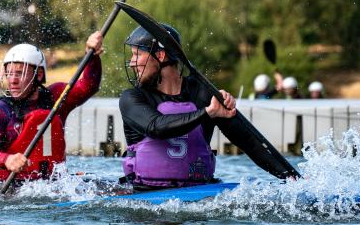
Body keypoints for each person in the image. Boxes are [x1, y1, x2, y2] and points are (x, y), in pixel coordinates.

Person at [119, 24, 299, 190]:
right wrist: (208, 113)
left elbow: (250, 143)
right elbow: (156, 127)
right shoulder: (133, 97)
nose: (133, 62)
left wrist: (291, 179)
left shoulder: (203, 94)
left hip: (199, 193)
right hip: (143, 193)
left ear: (160, 55)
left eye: (137, 54)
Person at [0, 32, 103, 182]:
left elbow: (88, 87)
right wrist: (7, 159)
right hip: (5, 188)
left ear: (39, 75)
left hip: (51, 185)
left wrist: (92, 55)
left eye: (20, 73)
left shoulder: (56, 97)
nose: (13, 81)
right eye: (9, 74)